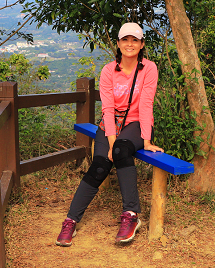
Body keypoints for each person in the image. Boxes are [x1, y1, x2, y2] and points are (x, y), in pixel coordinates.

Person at [56, 22, 164, 246]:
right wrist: (112, 140)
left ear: (142, 44)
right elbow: (107, 109)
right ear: (118, 43)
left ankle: (131, 215)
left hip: (136, 124)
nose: (130, 44)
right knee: (100, 165)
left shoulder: (149, 69)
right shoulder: (108, 71)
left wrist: (146, 140)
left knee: (122, 150)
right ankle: (71, 220)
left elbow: (146, 105)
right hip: (110, 125)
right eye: (125, 40)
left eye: (135, 40)